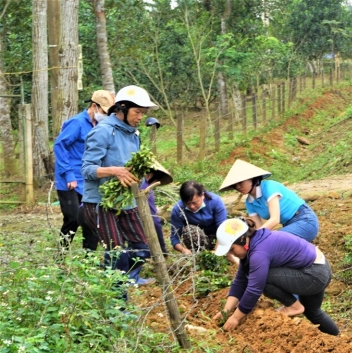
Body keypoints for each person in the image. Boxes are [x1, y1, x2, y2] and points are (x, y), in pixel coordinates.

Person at [220, 159, 319, 316]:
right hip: (289, 224)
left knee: (271, 249)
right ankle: (294, 302)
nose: (238, 187)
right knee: (269, 254)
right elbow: (258, 231)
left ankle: (294, 306)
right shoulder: (250, 203)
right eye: (235, 185)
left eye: (241, 182)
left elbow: (274, 220)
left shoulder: (269, 187)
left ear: (252, 178)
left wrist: (254, 244)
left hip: (305, 220)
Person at [80, 85, 157, 284]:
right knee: (116, 253)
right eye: (137, 112)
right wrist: (114, 170)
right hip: (100, 203)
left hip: (124, 200)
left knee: (142, 247)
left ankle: (128, 279)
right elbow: (87, 170)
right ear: (122, 109)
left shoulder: (134, 134)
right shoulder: (103, 132)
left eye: (143, 112)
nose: (140, 116)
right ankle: (116, 298)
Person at [213, 218, 340, 336]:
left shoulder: (258, 253)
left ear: (242, 240)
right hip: (319, 269)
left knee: (262, 278)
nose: (232, 254)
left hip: (313, 275)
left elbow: (254, 289)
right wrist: (226, 311)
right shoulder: (255, 243)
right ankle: (339, 339)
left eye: (232, 249)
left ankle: (294, 306)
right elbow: (240, 281)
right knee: (313, 312)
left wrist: (236, 318)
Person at [52, 89, 114, 251]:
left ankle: (89, 258)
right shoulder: (77, 123)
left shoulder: (101, 126)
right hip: (69, 179)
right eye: (104, 111)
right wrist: (68, 175)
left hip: (88, 179)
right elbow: (60, 146)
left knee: (91, 219)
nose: (106, 115)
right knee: (72, 218)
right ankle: (61, 255)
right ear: (94, 106)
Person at [169, 180, 228, 255]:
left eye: (194, 202)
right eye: (187, 203)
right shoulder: (178, 210)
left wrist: (217, 252)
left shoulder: (215, 201)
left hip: (218, 237)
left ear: (202, 195)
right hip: (199, 240)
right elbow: (175, 237)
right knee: (189, 230)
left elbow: (222, 228)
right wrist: (183, 250)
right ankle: (200, 254)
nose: (191, 206)